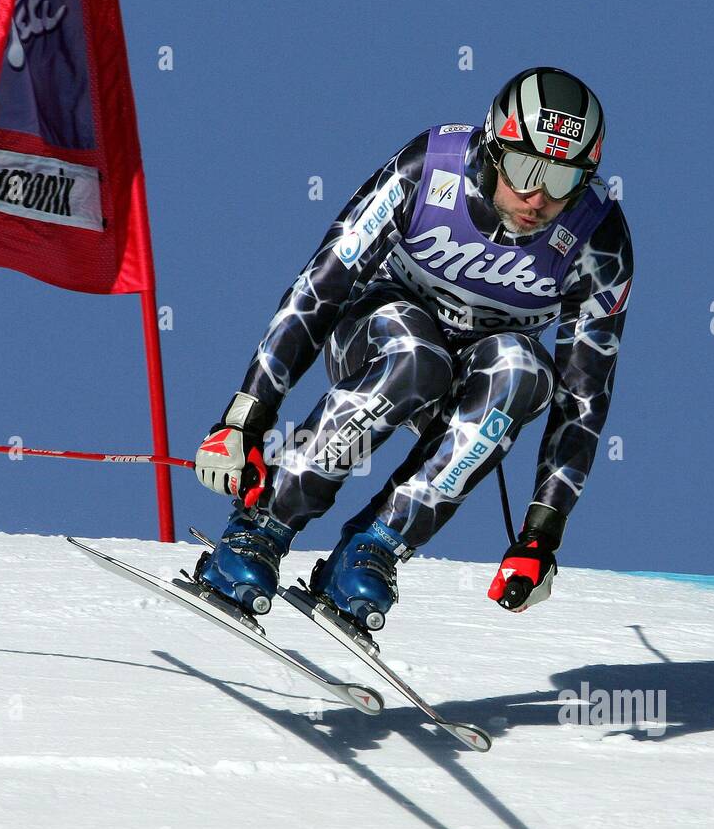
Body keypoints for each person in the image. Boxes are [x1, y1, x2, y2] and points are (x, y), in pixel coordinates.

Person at [192, 66, 634, 632]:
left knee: (526, 371)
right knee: (417, 358)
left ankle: (374, 548)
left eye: (563, 178)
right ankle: (263, 526)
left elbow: (584, 394)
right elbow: (322, 285)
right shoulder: (431, 168)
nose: (538, 196)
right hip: (379, 337)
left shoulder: (599, 237)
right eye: (525, 167)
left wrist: (541, 536)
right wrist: (245, 418)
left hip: (472, 379)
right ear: (494, 148)